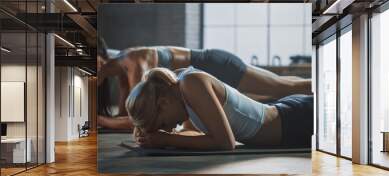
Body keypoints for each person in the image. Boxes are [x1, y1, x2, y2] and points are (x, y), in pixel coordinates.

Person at [97, 40, 312, 129]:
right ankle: (308, 96)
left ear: (99, 57)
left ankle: (321, 86)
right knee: (270, 95)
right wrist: (109, 120)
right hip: (210, 69)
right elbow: (127, 114)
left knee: (284, 87)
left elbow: (141, 116)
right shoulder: (121, 70)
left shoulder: (133, 62)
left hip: (215, 65)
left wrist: (101, 121)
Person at [125, 67, 313, 150]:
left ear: (163, 103)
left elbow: (226, 143)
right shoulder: (177, 89)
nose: (168, 128)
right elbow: (190, 132)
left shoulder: (191, 83)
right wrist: (150, 135)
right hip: (286, 115)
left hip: (295, 120)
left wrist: (166, 139)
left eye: (163, 123)